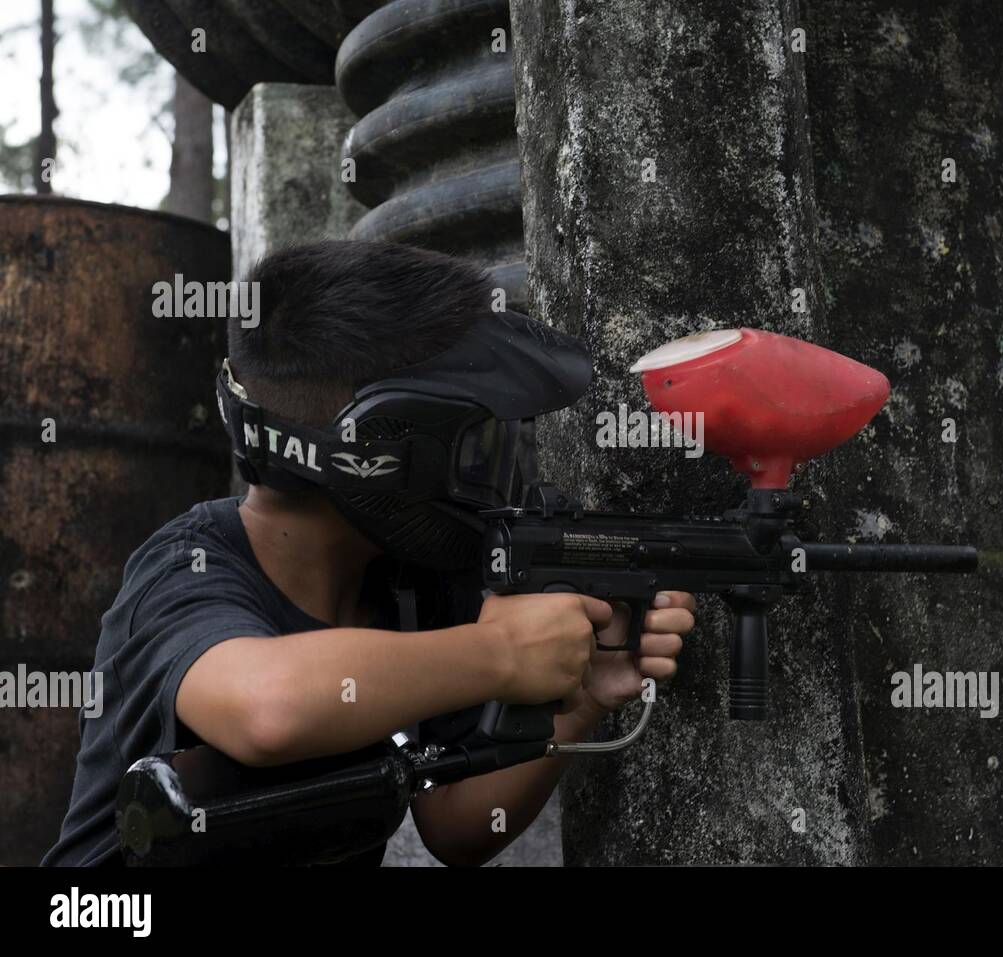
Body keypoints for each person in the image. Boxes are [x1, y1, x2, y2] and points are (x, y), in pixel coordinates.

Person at [43, 241, 694, 867]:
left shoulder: (411, 582)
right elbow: (269, 709)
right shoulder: (187, 570)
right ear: (383, 451)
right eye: (475, 446)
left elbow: (456, 826)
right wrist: (502, 655)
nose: (496, 477)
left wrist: (578, 698)